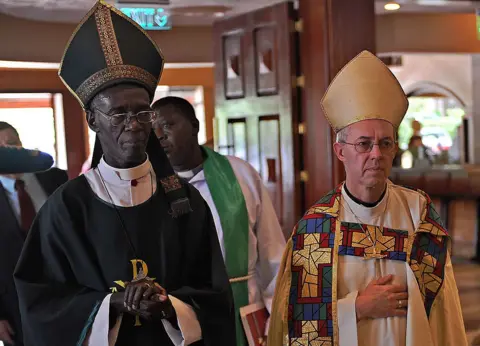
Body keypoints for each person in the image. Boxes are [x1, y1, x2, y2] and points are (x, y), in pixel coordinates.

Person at [13, 1, 236, 345]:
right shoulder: (67, 208)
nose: (133, 125)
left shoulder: (184, 203)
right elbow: (41, 304)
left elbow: (215, 295)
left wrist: (169, 306)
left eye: (142, 113)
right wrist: (111, 305)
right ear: (93, 120)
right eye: (118, 114)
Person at [267, 51, 468, 346]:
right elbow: (299, 328)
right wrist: (358, 308)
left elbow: (443, 311)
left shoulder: (419, 213)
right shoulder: (315, 228)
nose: (376, 153)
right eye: (364, 144)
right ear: (340, 152)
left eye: (385, 143)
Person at [152, 96, 286, 345]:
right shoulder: (148, 187)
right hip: (177, 316)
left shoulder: (240, 174)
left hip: (242, 306)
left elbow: (272, 252)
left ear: (195, 126)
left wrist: (276, 315)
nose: (159, 135)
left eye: (168, 125)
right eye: (153, 129)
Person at [0, 122, 68, 346]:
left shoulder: (55, 179)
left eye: (11, 144)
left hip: (64, 294)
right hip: (14, 303)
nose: (8, 153)